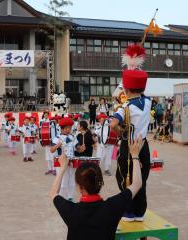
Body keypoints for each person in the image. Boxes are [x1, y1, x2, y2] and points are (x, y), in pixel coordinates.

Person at [50, 137, 143, 240]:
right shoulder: (113, 206)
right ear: (100, 182)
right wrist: (135, 156)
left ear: (79, 187)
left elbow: (54, 193)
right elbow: (137, 184)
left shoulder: (71, 210)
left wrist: (63, 167)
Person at [110, 44, 151, 222]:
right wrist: (133, 74)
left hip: (129, 145)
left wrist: (120, 131)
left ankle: (128, 212)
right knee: (142, 178)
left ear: (125, 89)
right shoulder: (148, 102)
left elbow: (113, 124)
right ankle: (140, 212)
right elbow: (136, 90)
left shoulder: (125, 107)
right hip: (144, 146)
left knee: (124, 177)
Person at [50, 117, 77, 201]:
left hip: (72, 160)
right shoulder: (57, 137)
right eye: (67, 128)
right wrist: (57, 145)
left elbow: (78, 147)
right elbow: (51, 150)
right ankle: (62, 198)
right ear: (62, 128)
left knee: (72, 180)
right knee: (63, 180)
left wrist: (81, 148)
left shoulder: (73, 137)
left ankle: (70, 197)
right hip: (61, 161)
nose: (69, 130)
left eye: (70, 128)